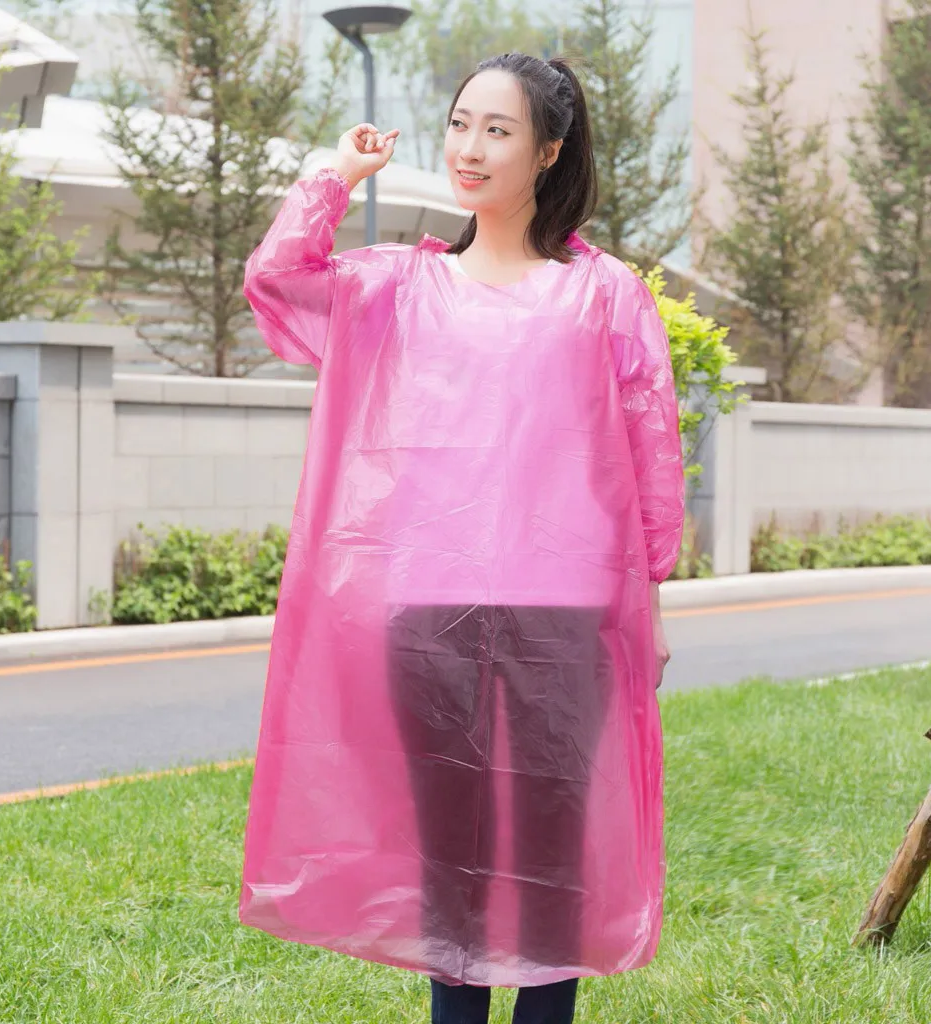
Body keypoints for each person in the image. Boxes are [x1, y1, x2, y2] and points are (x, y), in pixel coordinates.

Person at [238, 52, 684, 1024]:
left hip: (565, 611)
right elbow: (277, 279)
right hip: (429, 606)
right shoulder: (401, 286)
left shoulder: (603, 292)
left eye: (498, 129)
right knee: (449, 857)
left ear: (549, 151)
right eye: (459, 124)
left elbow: (650, 453)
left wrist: (649, 604)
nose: (469, 148)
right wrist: (336, 173)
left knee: (553, 855)